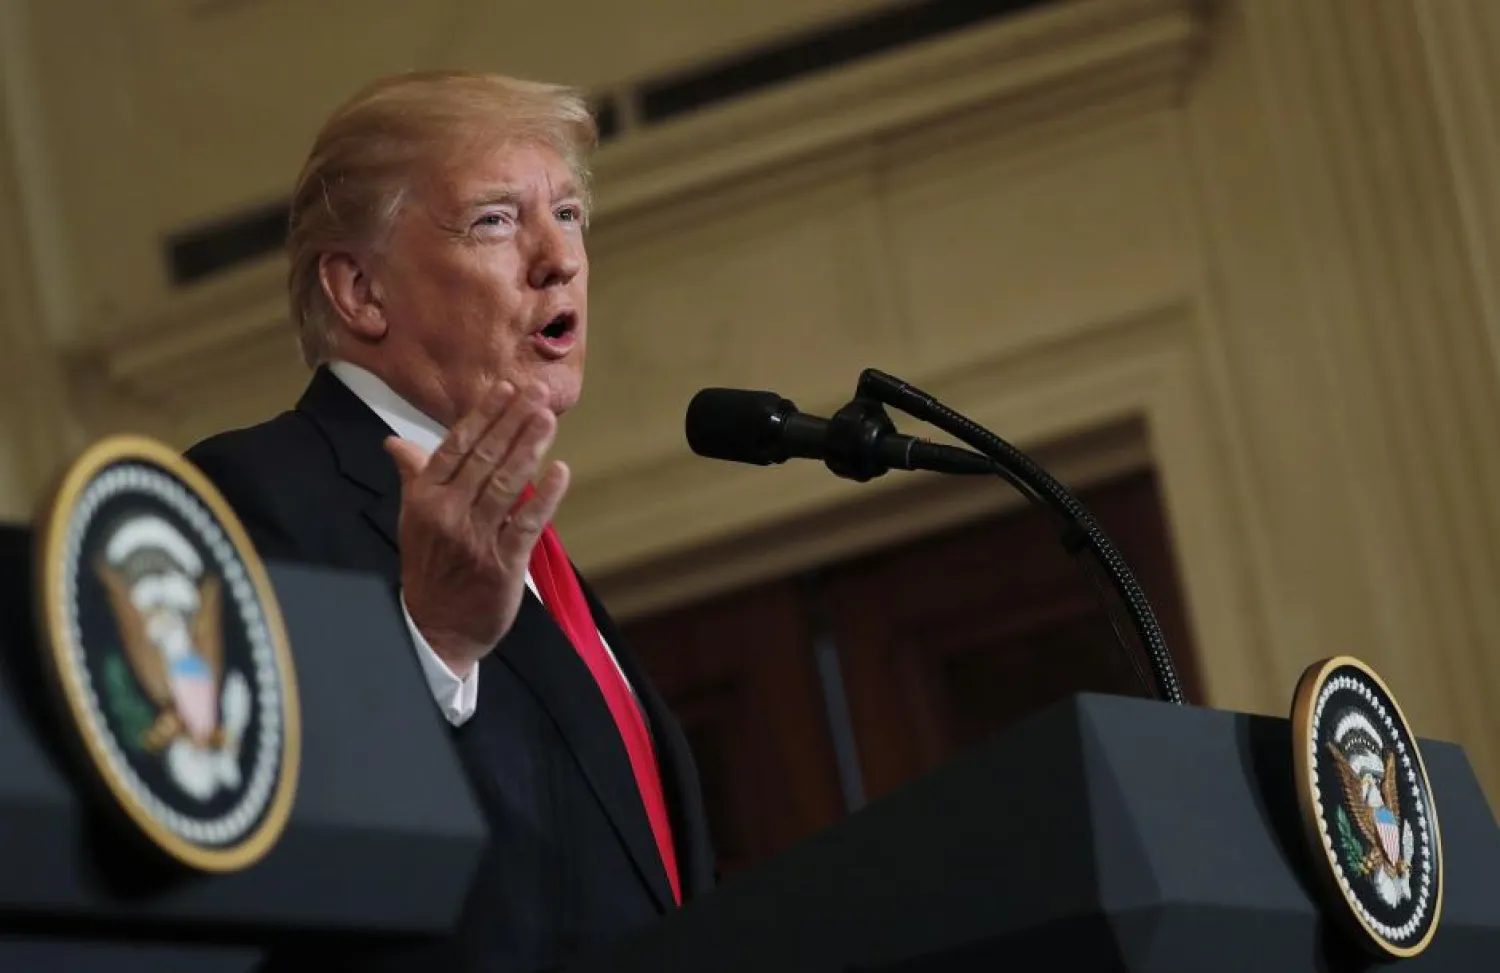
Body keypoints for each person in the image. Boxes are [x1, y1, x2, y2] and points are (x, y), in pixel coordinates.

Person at [186, 71, 715, 971]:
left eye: (570, 215)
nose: (559, 258)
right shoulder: (252, 494)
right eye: (496, 220)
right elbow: (250, 849)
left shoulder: (522, 540)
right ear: (359, 290)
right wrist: (429, 645)